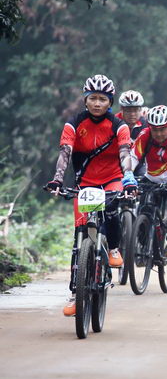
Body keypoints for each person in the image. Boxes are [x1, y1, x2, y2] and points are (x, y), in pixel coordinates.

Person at [45, 74, 137, 316]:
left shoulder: (119, 126)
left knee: (113, 211)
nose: (97, 104)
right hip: (84, 184)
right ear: (85, 100)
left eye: (103, 99)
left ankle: (114, 249)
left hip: (112, 180)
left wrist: (128, 181)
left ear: (110, 102)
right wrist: (57, 179)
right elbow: (65, 153)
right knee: (80, 238)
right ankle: (76, 293)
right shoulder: (74, 124)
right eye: (93, 98)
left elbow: (125, 154)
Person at [131, 105, 167, 259]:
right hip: (151, 178)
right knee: (142, 208)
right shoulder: (145, 135)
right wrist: (128, 176)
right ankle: (143, 246)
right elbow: (133, 157)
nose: (159, 133)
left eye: (162, 129)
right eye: (155, 129)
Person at [117, 90, 148, 177]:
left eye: (136, 110)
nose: (132, 114)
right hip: (116, 164)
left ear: (140, 110)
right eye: (128, 111)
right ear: (121, 109)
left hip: (139, 165)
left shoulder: (146, 124)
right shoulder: (114, 123)